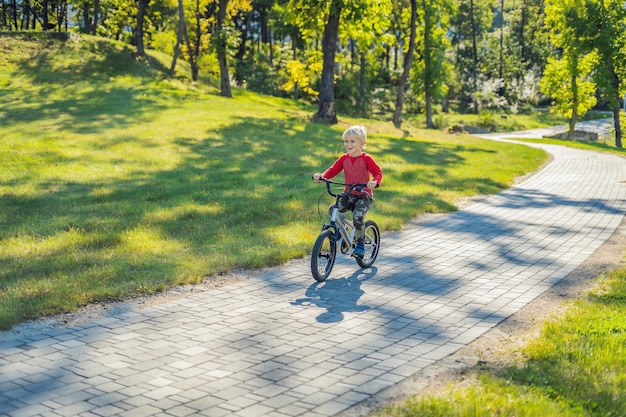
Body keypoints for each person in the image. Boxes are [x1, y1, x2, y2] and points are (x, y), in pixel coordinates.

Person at [313, 125, 383, 258]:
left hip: (363, 195)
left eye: (352, 141)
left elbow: (377, 172)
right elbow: (333, 170)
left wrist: (375, 182)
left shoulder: (366, 158)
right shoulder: (344, 158)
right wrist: (322, 176)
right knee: (332, 210)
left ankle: (360, 244)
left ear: (362, 143)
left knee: (358, 217)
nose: (348, 144)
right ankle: (342, 231)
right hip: (348, 194)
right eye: (346, 141)